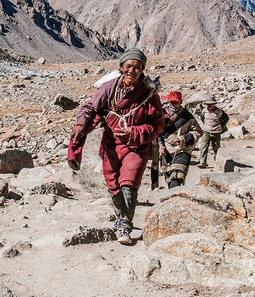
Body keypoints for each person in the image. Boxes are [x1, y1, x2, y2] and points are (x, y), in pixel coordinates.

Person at [67, 48, 164, 245]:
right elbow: (90, 107)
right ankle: (120, 216)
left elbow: (157, 124)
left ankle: (125, 226)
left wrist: (134, 133)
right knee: (113, 184)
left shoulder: (149, 94)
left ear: (143, 70)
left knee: (129, 182)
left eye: (138, 67)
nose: (132, 70)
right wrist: (80, 124)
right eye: (128, 66)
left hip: (137, 145)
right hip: (111, 143)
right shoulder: (109, 88)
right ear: (121, 67)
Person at [155, 90, 203, 188]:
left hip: (182, 149)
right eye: (171, 102)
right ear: (168, 102)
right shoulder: (161, 114)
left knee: (177, 178)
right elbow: (157, 132)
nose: (173, 104)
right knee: (168, 177)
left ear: (180, 102)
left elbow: (198, 131)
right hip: (166, 150)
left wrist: (184, 139)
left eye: (176, 102)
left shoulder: (187, 116)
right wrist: (160, 145)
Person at [197, 96, 229, 168]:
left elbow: (225, 119)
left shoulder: (219, 111)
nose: (209, 105)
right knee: (203, 147)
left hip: (216, 132)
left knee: (216, 148)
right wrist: (206, 125)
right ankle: (202, 162)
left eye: (211, 104)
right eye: (208, 104)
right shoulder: (204, 111)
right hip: (206, 131)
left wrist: (220, 126)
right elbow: (202, 118)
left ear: (214, 104)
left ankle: (217, 162)